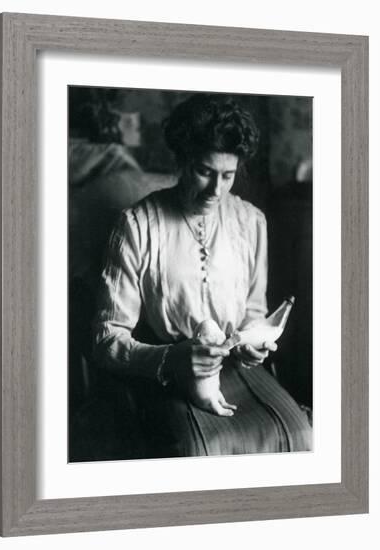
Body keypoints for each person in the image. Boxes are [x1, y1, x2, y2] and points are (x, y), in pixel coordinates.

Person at [92, 93, 312, 458]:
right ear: (182, 160)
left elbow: (253, 311)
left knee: (301, 435)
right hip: (164, 373)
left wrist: (252, 345)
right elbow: (105, 340)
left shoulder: (251, 222)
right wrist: (172, 359)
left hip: (236, 367)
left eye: (228, 176)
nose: (216, 190)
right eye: (205, 171)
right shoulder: (137, 225)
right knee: (200, 450)